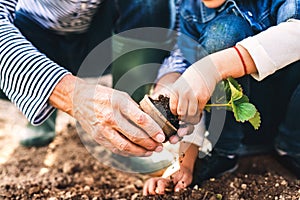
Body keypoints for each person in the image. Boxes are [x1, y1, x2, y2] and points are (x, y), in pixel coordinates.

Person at [143, 0, 300, 195]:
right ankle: (225, 152)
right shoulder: (190, 11)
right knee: (224, 32)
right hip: (235, 130)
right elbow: (192, 88)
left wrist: (215, 66)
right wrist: (184, 163)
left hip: (288, 115)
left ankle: (292, 147)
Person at [0, 0, 193, 156]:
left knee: (151, 4)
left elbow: (183, 12)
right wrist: (71, 95)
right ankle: (43, 112)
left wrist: (170, 75)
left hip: (99, 35)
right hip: (32, 36)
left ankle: (132, 121)